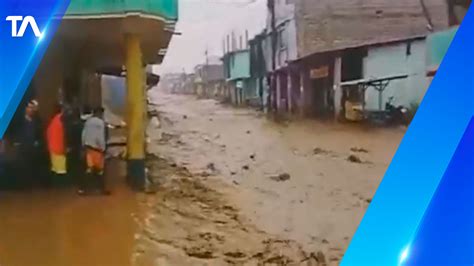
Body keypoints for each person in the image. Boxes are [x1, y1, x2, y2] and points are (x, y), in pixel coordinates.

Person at [81, 107, 109, 195]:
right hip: (97, 149)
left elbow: (83, 134)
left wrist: (83, 145)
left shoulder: (88, 121)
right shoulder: (100, 123)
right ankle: (101, 189)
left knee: (89, 168)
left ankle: (84, 189)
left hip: (88, 148)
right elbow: (100, 137)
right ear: (100, 113)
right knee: (100, 170)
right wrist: (103, 148)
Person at [16, 100, 44, 188]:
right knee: (24, 167)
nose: (30, 110)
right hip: (24, 148)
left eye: (32, 108)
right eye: (29, 107)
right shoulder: (20, 121)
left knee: (33, 167)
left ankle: (32, 184)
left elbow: (39, 132)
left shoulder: (36, 121)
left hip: (33, 148)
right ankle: (24, 185)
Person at [46, 104, 68, 186]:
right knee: (61, 170)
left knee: (55, 169)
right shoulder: (60, 122)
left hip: (52, 148)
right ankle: (60, 187)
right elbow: (62, 136)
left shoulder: (52, 121)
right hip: (59, 148)